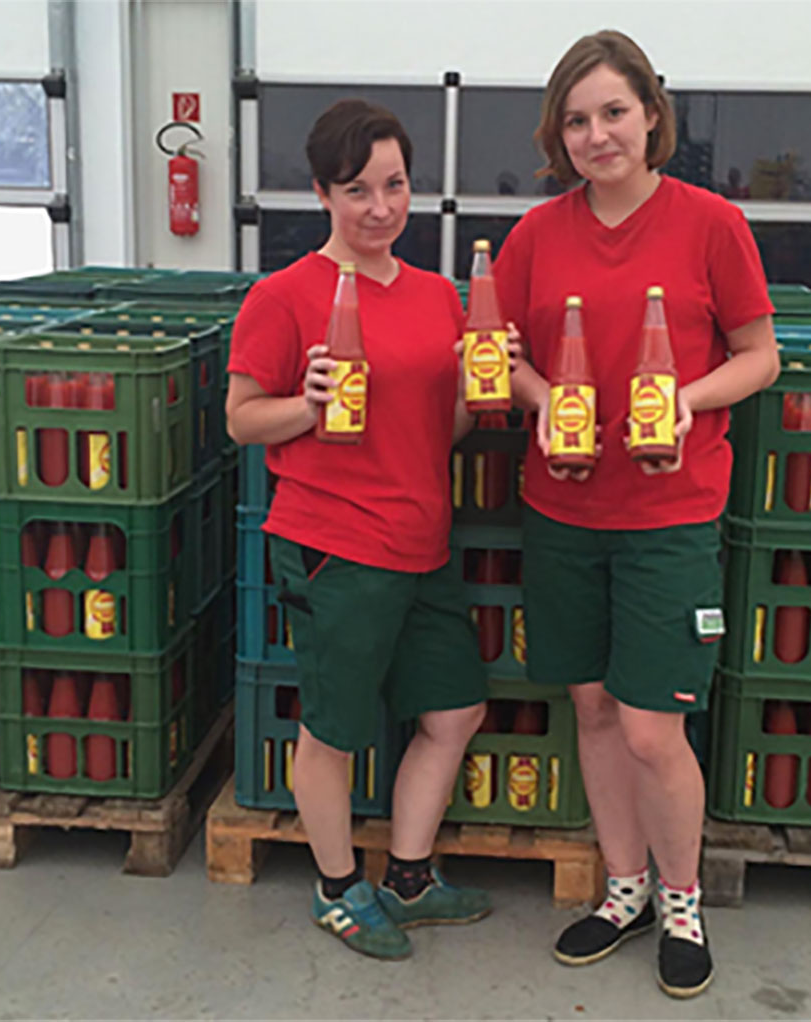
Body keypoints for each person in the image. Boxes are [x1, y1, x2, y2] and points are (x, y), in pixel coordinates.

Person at [493, 30, 780, 998]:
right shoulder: (537, 236)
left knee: (654, 727)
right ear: (558, 135)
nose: (597, 135)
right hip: (564, 507)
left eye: (614, 112)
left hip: (670, 509)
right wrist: (543, 400)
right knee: (594, 707)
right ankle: (623, 889)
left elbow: (760, 354)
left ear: (652, 115)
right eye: (576, 121)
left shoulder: (711, 224)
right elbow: (503, 355)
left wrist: (686, 400)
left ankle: (681, 897)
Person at [226, 99, 492, 961]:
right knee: (333, 728)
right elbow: (241, 419)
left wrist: (481, 385)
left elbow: (440, 428)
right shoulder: (283, 297)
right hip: (336, 544)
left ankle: (408, 878)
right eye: (357, 190)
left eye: (395, 185)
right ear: (321, 193)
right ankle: (338, 888)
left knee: (455, 710)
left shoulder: (437, 296)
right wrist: (304, 406)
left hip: (423, 540)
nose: (380, 208)